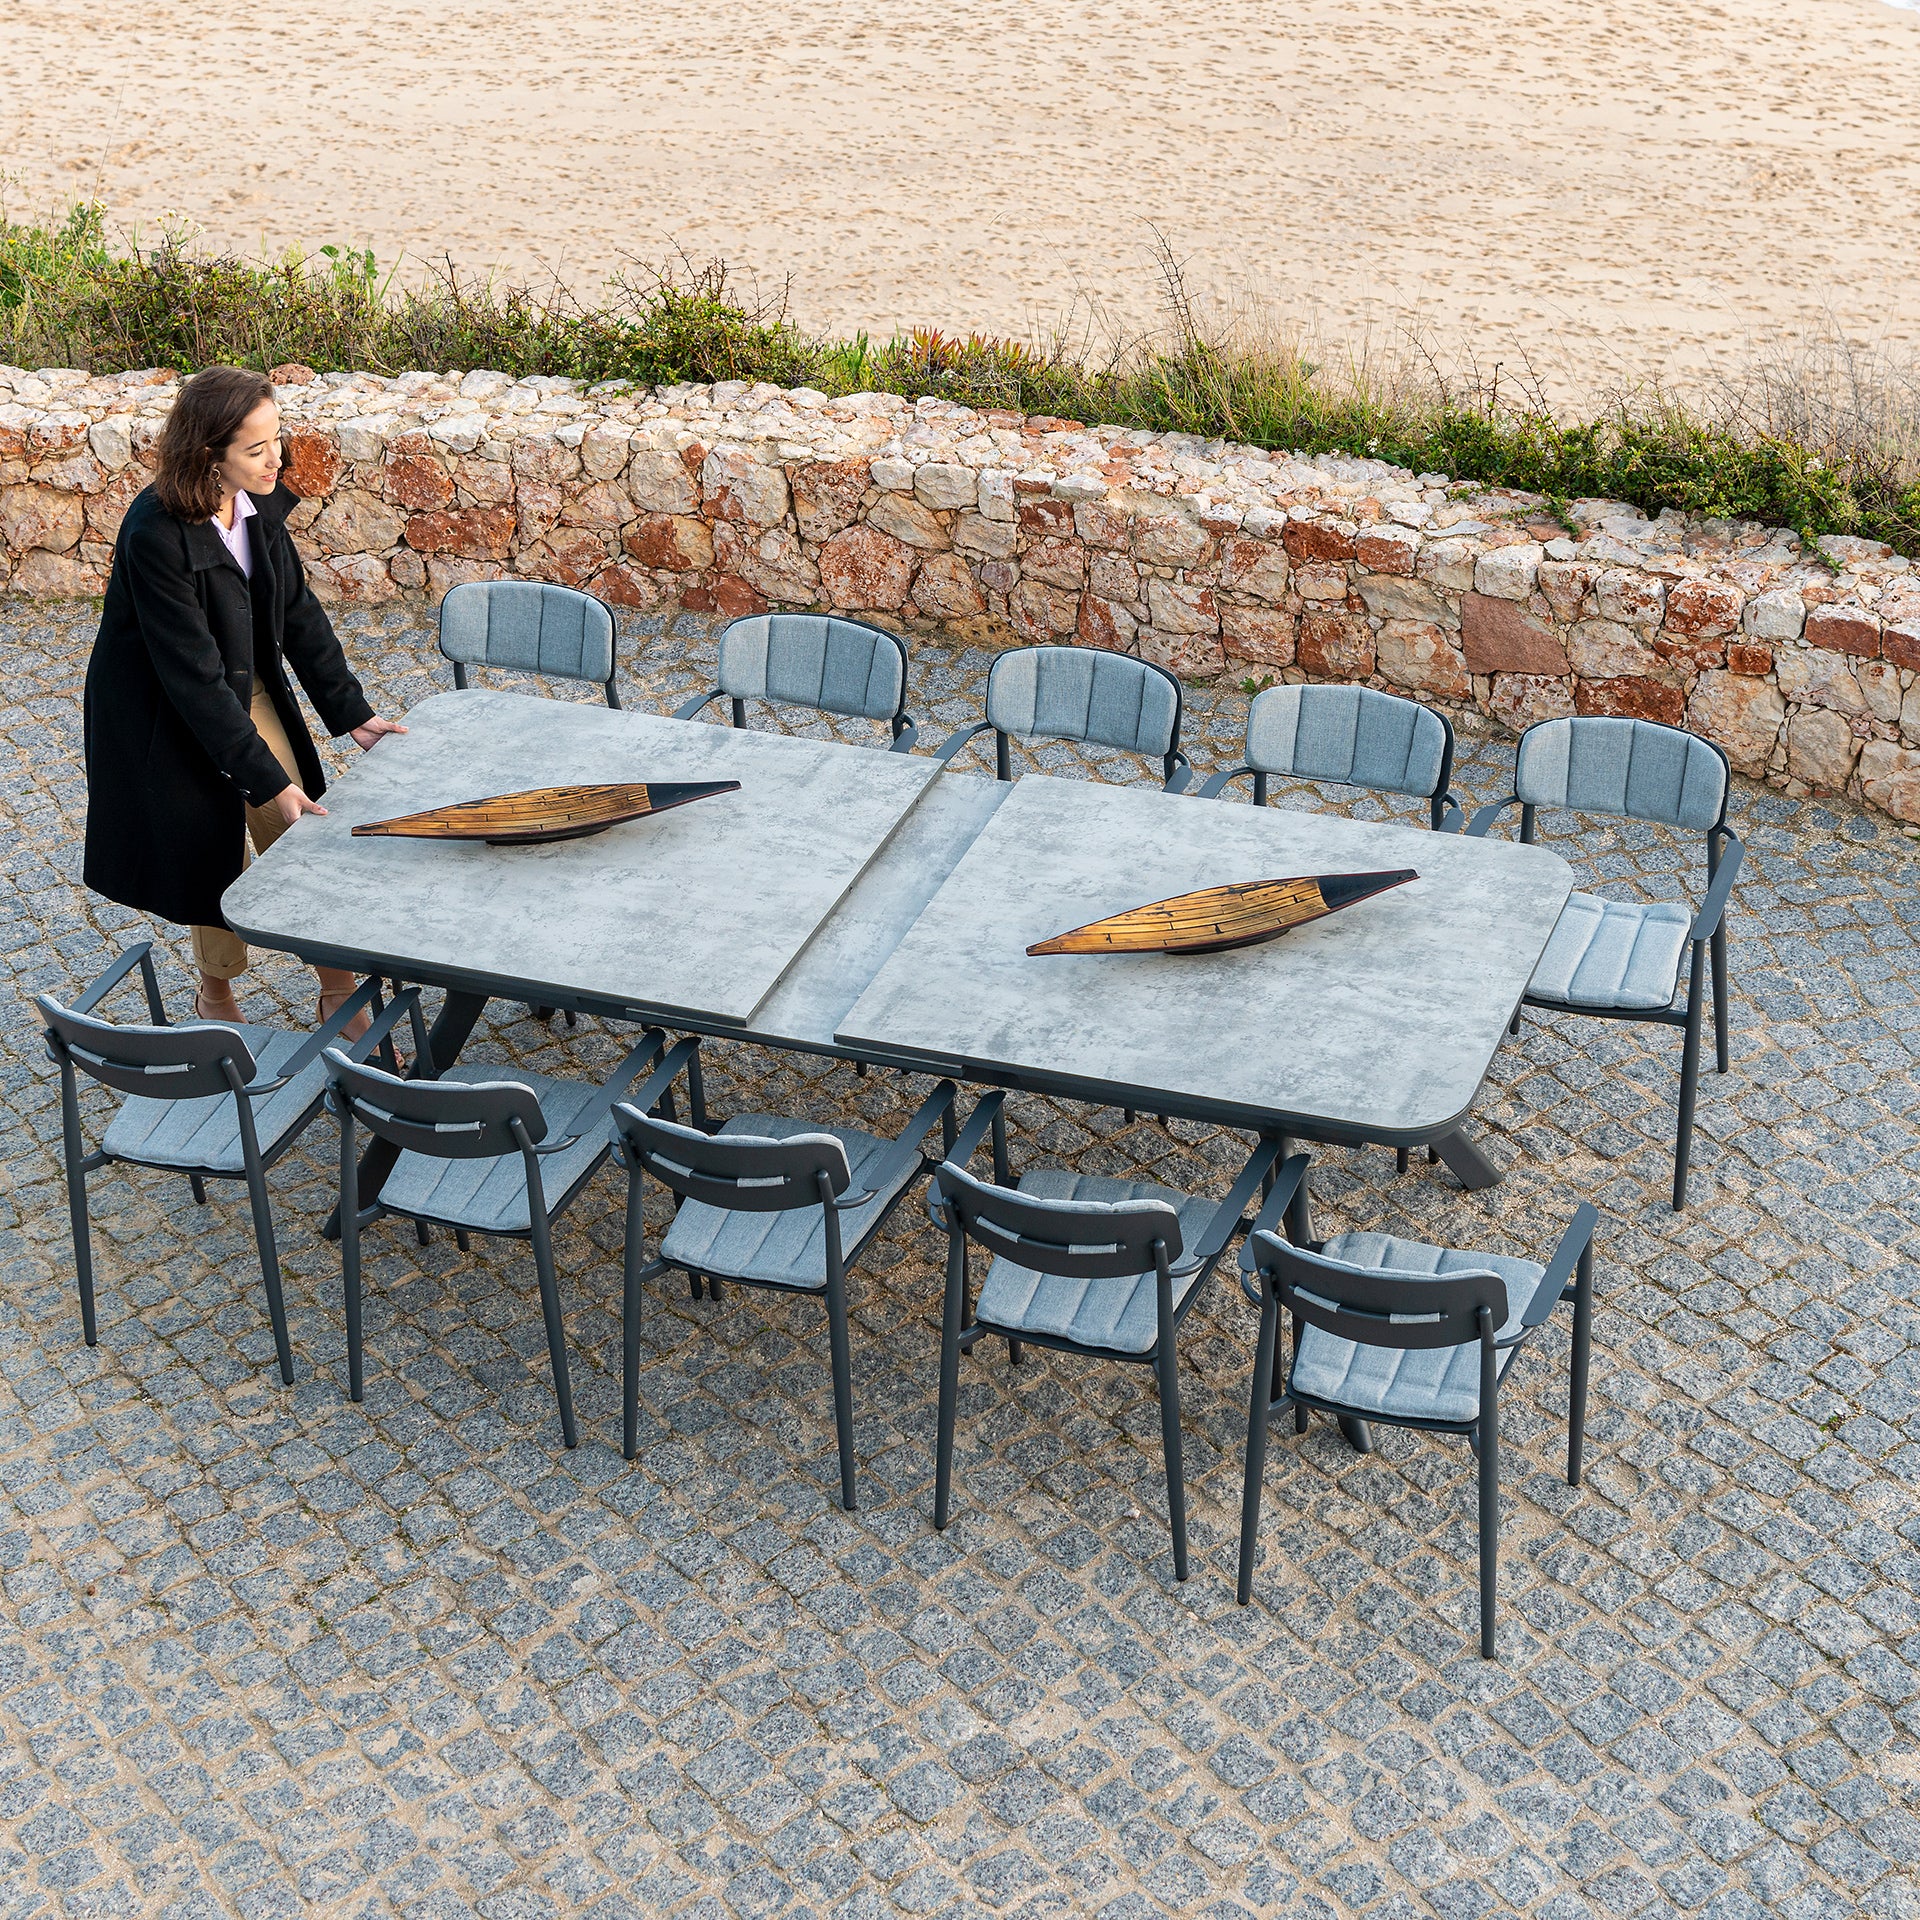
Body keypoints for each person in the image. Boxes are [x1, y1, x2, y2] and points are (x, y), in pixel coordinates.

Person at [82, 364, 406, 1026]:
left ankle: (336, 985)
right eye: (256, 449)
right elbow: (193, 682)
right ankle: (216, 992)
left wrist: (354, 714)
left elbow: (298, 613)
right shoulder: (154, 535)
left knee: (294, 821)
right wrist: (260, 780)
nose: (275, 459)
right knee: (211, 844)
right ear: (209, 454)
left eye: (276, 440)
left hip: (239, 681)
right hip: (163, 709)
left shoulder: (256, 502)